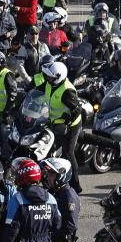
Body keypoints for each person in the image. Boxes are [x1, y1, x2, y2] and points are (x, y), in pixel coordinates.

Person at [41, 61, 84, 192]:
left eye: (50, 77)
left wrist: (68, 121)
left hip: (71, 126)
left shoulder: (67, 91)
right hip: (54, 122)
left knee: (68, 153)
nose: (48, 79)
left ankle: (76, 186)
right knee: (47, 148)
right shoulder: (50, 84)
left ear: (58, 77)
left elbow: (77, 109)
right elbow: (37, 90)